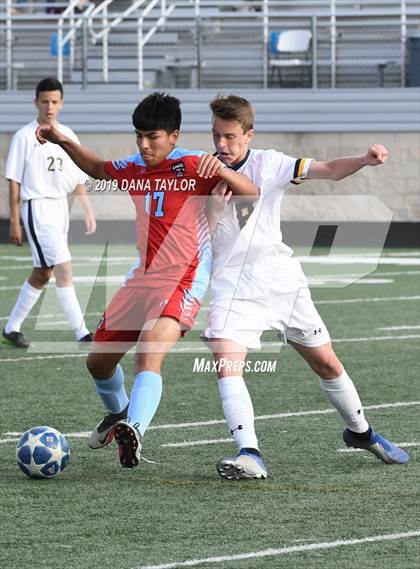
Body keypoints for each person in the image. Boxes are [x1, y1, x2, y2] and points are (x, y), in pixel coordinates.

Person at [36, 92, 258, 469]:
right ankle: (119, 412)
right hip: (141, 281)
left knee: (148, 356)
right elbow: (99, 168)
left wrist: (219, 170)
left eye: (152, 137)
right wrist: (64, 141)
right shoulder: (136, 165)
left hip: (182, 281)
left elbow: (250, 192)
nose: (143, 144)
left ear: (173, 135)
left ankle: (134, 429)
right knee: (98, 364)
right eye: (138, 135)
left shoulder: (191, 165)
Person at [202, 94, 409, 480]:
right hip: (231, 285)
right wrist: (212, 212)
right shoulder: (202, 173)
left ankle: (361, 433)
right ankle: (249, 453)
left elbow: (329, 169)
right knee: (226, 364)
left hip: (280, 279)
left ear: (249, 135)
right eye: (216, 135)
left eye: (230, 136)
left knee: (327, 363)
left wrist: (364, 161)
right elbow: (198, 238)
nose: (221, 145)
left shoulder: (271, 163)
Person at [3, 77, 96, 348]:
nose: (50, 106)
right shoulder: (24, 136)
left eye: (55, 101)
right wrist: (14, 220)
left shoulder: (67, 135)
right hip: (37, 207)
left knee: (43, 273)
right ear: (36, 103)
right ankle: (82, 332)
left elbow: (79, 177)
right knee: (63, 268)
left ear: (61, 104)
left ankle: (11, 328)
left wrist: (87, 210)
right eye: (45, 101)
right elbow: (14, 181)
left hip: (60, 208)